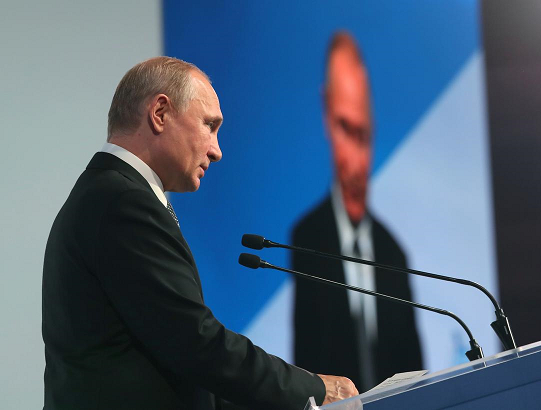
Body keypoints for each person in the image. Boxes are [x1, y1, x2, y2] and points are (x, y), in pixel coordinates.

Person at [42, 57, 358, 410]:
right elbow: (196, 343)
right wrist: (313, 390)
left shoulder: (109, 194)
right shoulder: (122, 202)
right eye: (209, 125)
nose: (217, 150)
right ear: (160, 113)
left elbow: (177, 363)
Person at [292, 32, 423, 391]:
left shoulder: (393, 253)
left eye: (363, 136)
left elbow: (416, 371)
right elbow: (304, 358)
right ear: (325, 114)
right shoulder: (304, 239)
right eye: (345, 130)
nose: (356, 161)